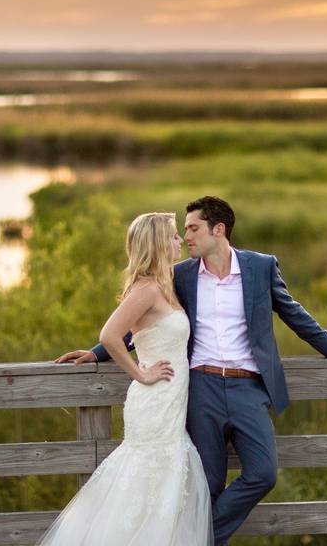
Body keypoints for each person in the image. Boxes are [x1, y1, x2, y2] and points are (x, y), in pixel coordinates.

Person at [58, 196, 327, 545]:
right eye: (183, 230)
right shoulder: (179, 275)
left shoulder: (260, 267)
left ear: (217, 229)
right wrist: (98, 352)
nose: (186, 236)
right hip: (200, 388)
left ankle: (196, 538)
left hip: (248, 389)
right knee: (206, 484)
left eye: (193, 228)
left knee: (263, 473)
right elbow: (143, 325)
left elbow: (292, 311)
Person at [41, 212, 213, 545]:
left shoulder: (166, 284)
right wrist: (140, 373)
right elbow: (110, 334)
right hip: (154, 403)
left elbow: (146, 333)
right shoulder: (147, 289)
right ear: (158, 243)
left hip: (171, 406)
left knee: (165, 491)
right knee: (145, 484)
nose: (180, 240)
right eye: (174, 236)